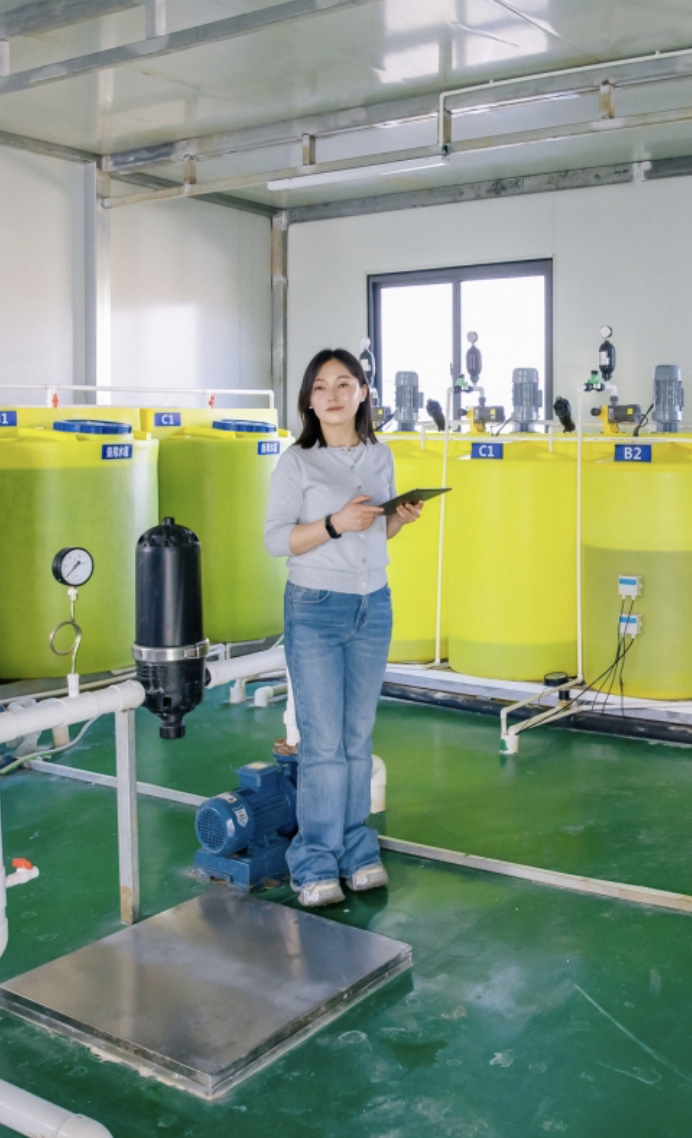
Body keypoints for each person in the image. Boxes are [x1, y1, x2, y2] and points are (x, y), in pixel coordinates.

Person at [263, 348, 422, 908]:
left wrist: (394, 521)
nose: (333, 395)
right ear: (309, 400)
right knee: (324, 744)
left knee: (357, 740)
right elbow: (277, 539)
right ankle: (314, 861)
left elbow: (373, 534)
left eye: (344, 384)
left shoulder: (379, 457)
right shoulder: (297, 463)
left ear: (362, 394)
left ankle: (357, 849)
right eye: (321, 387)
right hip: (315, 607)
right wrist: (334, 523)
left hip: (372, 604)